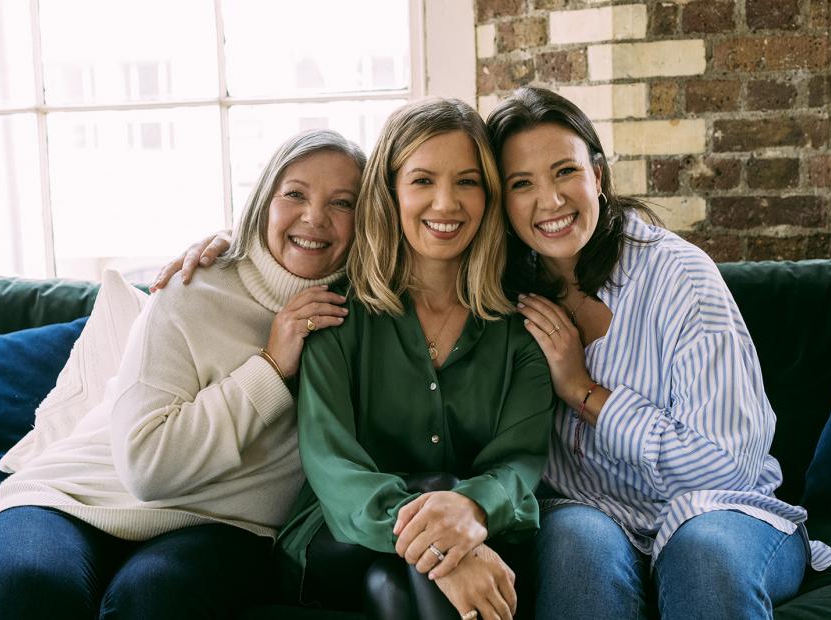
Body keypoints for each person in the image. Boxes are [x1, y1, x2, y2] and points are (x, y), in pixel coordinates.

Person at [157, 99, 554, 620]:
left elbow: (520, 460)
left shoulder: (520, 331)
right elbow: (333, 466)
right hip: (336, 539)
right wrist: (447, 536)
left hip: (438, 545)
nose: (445, 203)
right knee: (433, 497)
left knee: (391, 584)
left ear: (489, 194)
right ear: (389, 193)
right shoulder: (334, 315)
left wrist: (472, 508)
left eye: (467, 182)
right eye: (422, 181)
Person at [0, 129, 365, 619]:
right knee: (32, 588)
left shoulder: (364, 313)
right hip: (69, 498)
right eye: (295, 194)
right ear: (264, 200)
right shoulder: (195, 285)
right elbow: (146, 466)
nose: (315, 217)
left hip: (221, 526)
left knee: (154, 600)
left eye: (342, 202)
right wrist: (270, 366)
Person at [486, 86, 831, 619]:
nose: (550, 201)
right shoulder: (504, 294)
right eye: (522, 184)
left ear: (597, 177)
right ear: (502, 200)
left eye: (565, 172)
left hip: (722, 513)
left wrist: (584, 391)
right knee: (576, 544)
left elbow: (727, 467)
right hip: (590, 515)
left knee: (702, 551)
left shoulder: (679, 275)